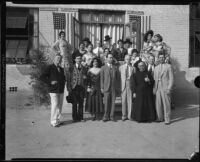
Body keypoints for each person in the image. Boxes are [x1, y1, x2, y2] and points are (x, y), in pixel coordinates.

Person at [39, 54, 66, 127]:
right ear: (54, 59)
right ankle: (53, 122)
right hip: (53, 90)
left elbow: (63, 78)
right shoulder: (50, 67)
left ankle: (57, 120)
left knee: (59, 106)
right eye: (57, 58)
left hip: (61, 90)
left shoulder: (61, 69)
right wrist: (50, 82)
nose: (59, 60)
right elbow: (42, 77)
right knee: (55, 105)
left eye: (60, 59)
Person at [153, 52, 174, 125]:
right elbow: (155, 79)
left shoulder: (168, 66)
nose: (161, 59)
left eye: (163, 57)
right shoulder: (156, 67)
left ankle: (167, 119)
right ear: (158, 58)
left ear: (165, 58)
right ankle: (159, 117)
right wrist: (154, 88)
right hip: (158, 87)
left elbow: (171, 78)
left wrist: (169, 88)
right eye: (160, 57)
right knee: (158, 103)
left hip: (165, 87)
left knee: (166, 104)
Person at [100, 53, 120, 122]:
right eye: (109, 57)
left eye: (112, 58)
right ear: (107, 58)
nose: (111, 59)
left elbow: (118, 78)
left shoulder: (115, 67)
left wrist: (118, 87)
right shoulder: (103, 68)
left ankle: (112, 116)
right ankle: (105, 116)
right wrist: (102, 87)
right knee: (106, 103)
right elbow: (102, 78)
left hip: (113, 88)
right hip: (106, 87)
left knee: (112, 103)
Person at [69, 54, 88, 122]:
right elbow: (69, 78)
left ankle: (81, 117)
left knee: (81, 102)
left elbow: (86, 77)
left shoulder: (84, 68)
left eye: (80, 58)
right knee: (74, 103)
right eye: (77, 58)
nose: (79, 60)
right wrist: (69, 88)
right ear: (75, 60)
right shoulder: (71, 68)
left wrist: (85, 78)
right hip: (74, 87)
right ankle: (74, 118)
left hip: (81, 87)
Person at [119, 55, 136, 121]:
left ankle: (129, 115)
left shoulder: (133, 68)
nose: (128, 60)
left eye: (129, 59)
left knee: (130, 101)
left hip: (130, 84)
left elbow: (134, 78)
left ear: (130, 60)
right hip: (123, 85)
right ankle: (124, 115)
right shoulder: (120, 67)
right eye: (126, 59)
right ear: (124, 60)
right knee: (123, 101)